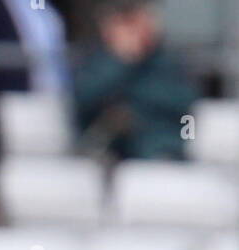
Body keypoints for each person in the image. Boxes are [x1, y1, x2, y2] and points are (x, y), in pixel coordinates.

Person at [75, 0, 197, 162]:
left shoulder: (167, 62)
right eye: (124, 24)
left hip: (157, 148)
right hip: (106, 150)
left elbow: (183, 103)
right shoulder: (94, 60)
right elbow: (82, 101)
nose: (131, 32)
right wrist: (122, 62)